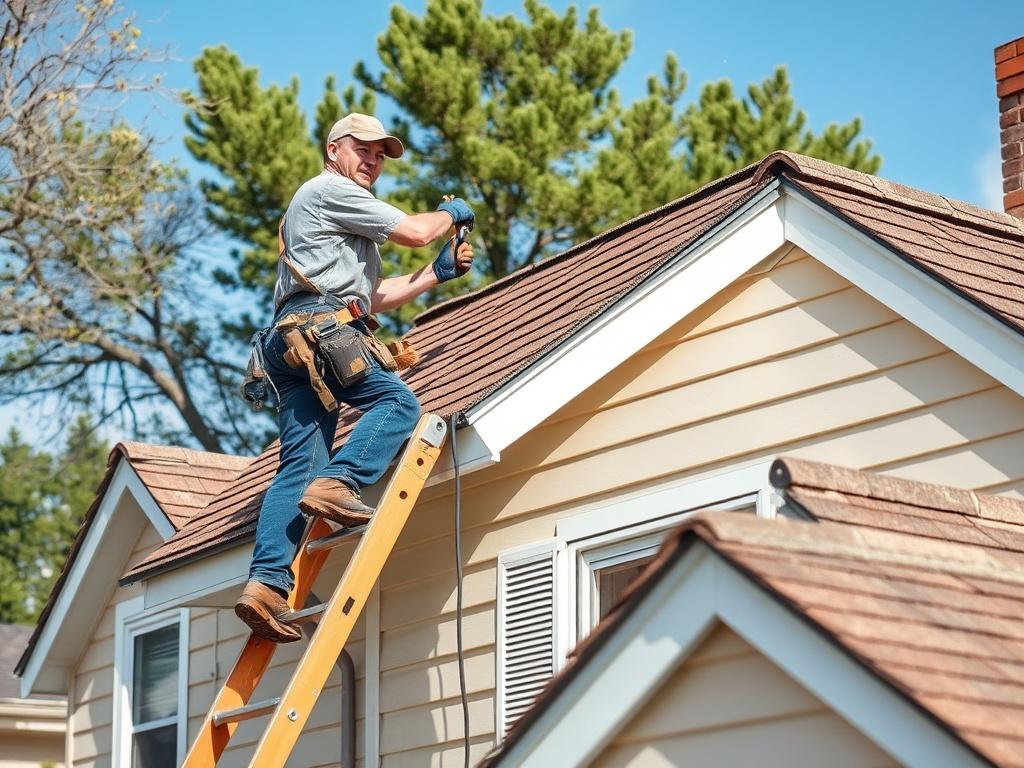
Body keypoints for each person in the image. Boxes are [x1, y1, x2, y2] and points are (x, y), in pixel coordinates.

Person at [234, 113, 476, 642]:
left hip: (293, 340)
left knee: (298, 469)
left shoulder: (332, 213)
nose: (372, 161)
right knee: (398, 406)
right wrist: (450, 212)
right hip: (321, 329)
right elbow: (415, 231)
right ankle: (340, 483)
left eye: (380, 155)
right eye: (363, 149)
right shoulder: (329, 190)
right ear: (333, 149)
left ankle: (265, 585)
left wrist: (438, 273)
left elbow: (373, 297)